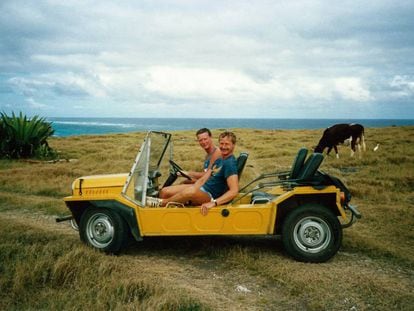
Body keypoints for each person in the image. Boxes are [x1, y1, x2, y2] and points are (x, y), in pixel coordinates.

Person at [147, 131, 239, 216]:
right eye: (222, 144)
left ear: (233, 145)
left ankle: (162, 203)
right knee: (165, 191)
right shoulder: (219, 160)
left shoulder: (230, 163)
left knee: (189, 191)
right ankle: (165, 216)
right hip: (203, 189)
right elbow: (203, 179)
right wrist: (192, 188)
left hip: (210, 196)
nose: (223, 147)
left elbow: (234, 191)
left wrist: (213, 203)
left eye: (227, 144)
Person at [160, 128, 221, 199]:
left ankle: (161, 206)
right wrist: (188, 177)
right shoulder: (208, 155)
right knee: (185, 182)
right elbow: (206, 176)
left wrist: (187, 173)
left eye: (205, 139)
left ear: (210, 138)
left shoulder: (217, 153)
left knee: (164, 192)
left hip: (210, 190)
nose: (203, 142)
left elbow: (207, 175)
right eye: (200, 140)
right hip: (207, 184)